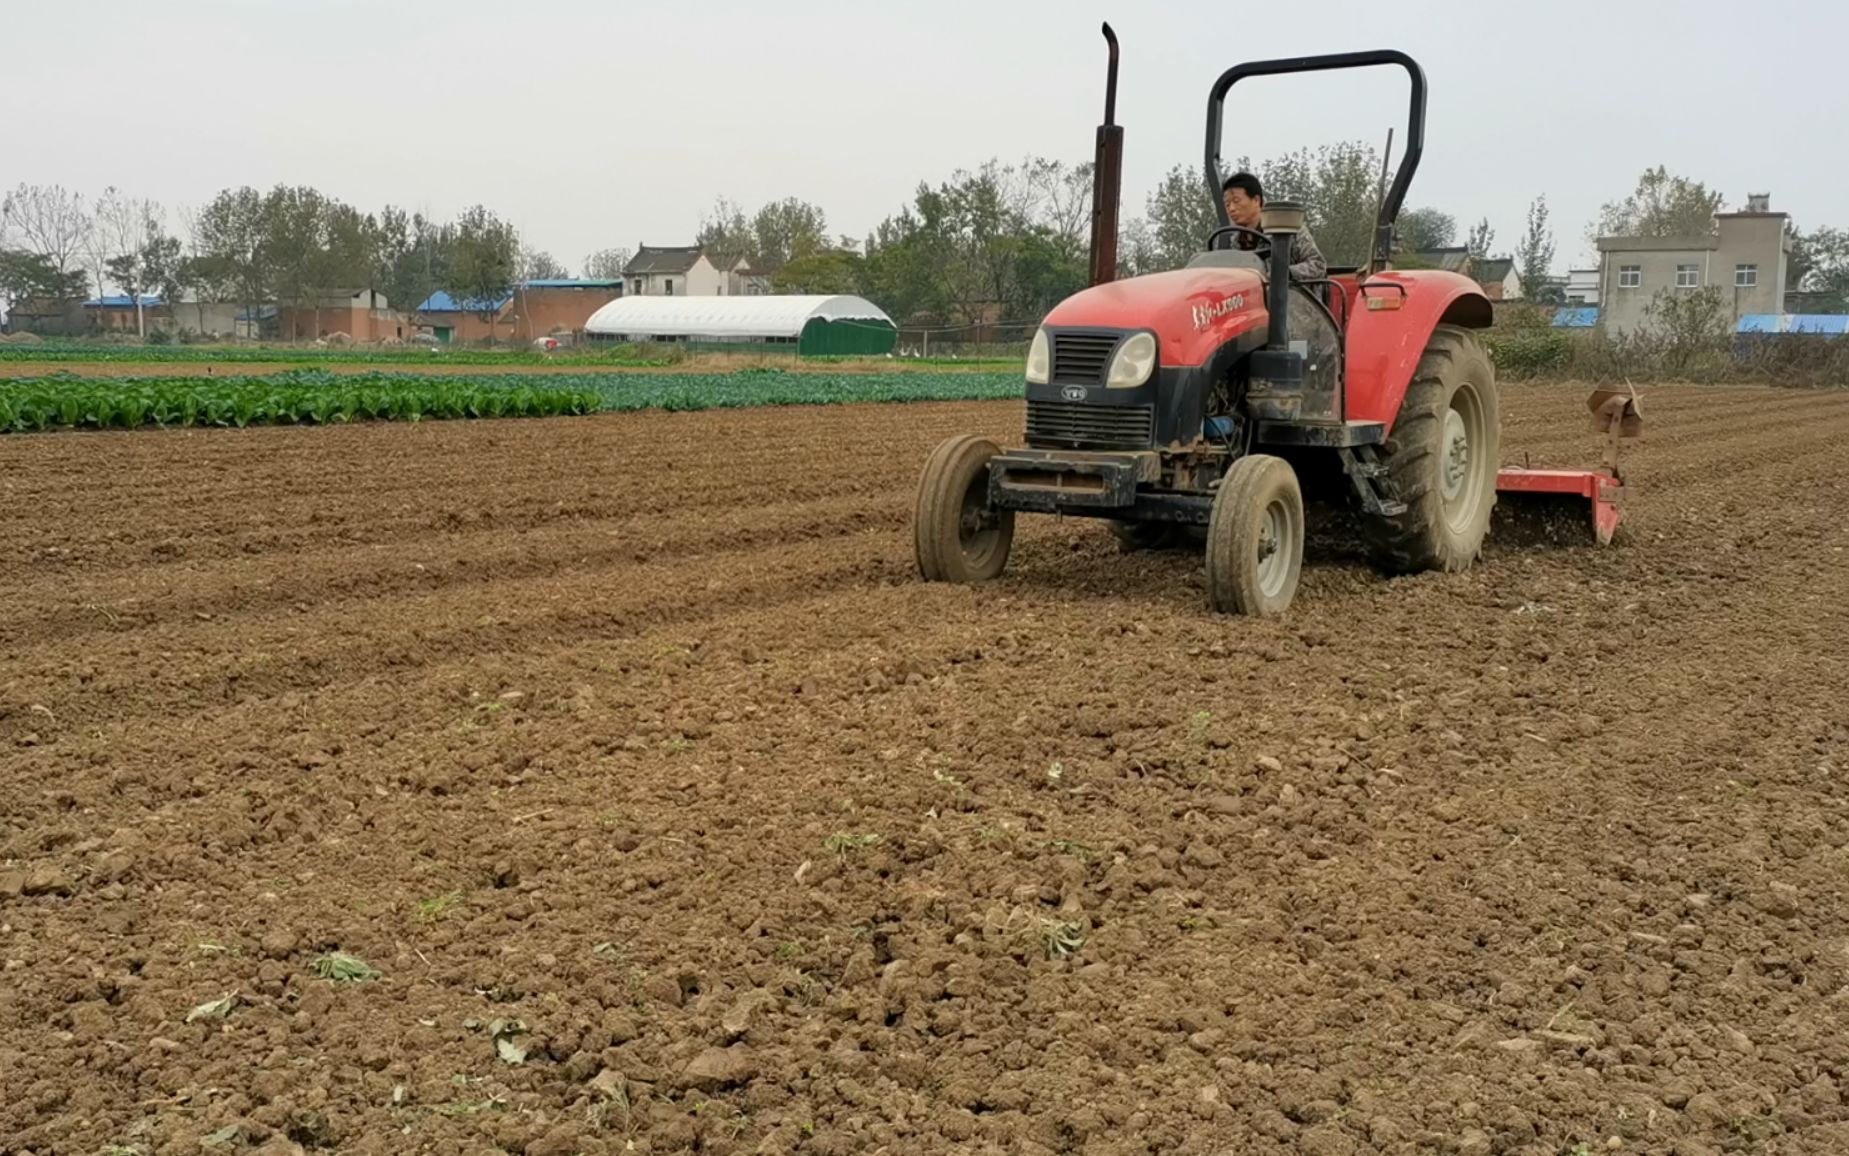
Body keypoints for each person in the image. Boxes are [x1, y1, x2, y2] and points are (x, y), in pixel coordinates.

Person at [1222, 172, 1327, 282]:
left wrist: (1283, 274)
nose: (1231, 208)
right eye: (1227, 204)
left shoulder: (1287, 228)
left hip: (1294, 296)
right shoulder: (1234, 243)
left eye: (1236, 201)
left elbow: (1318, 266)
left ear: (1256, 200)